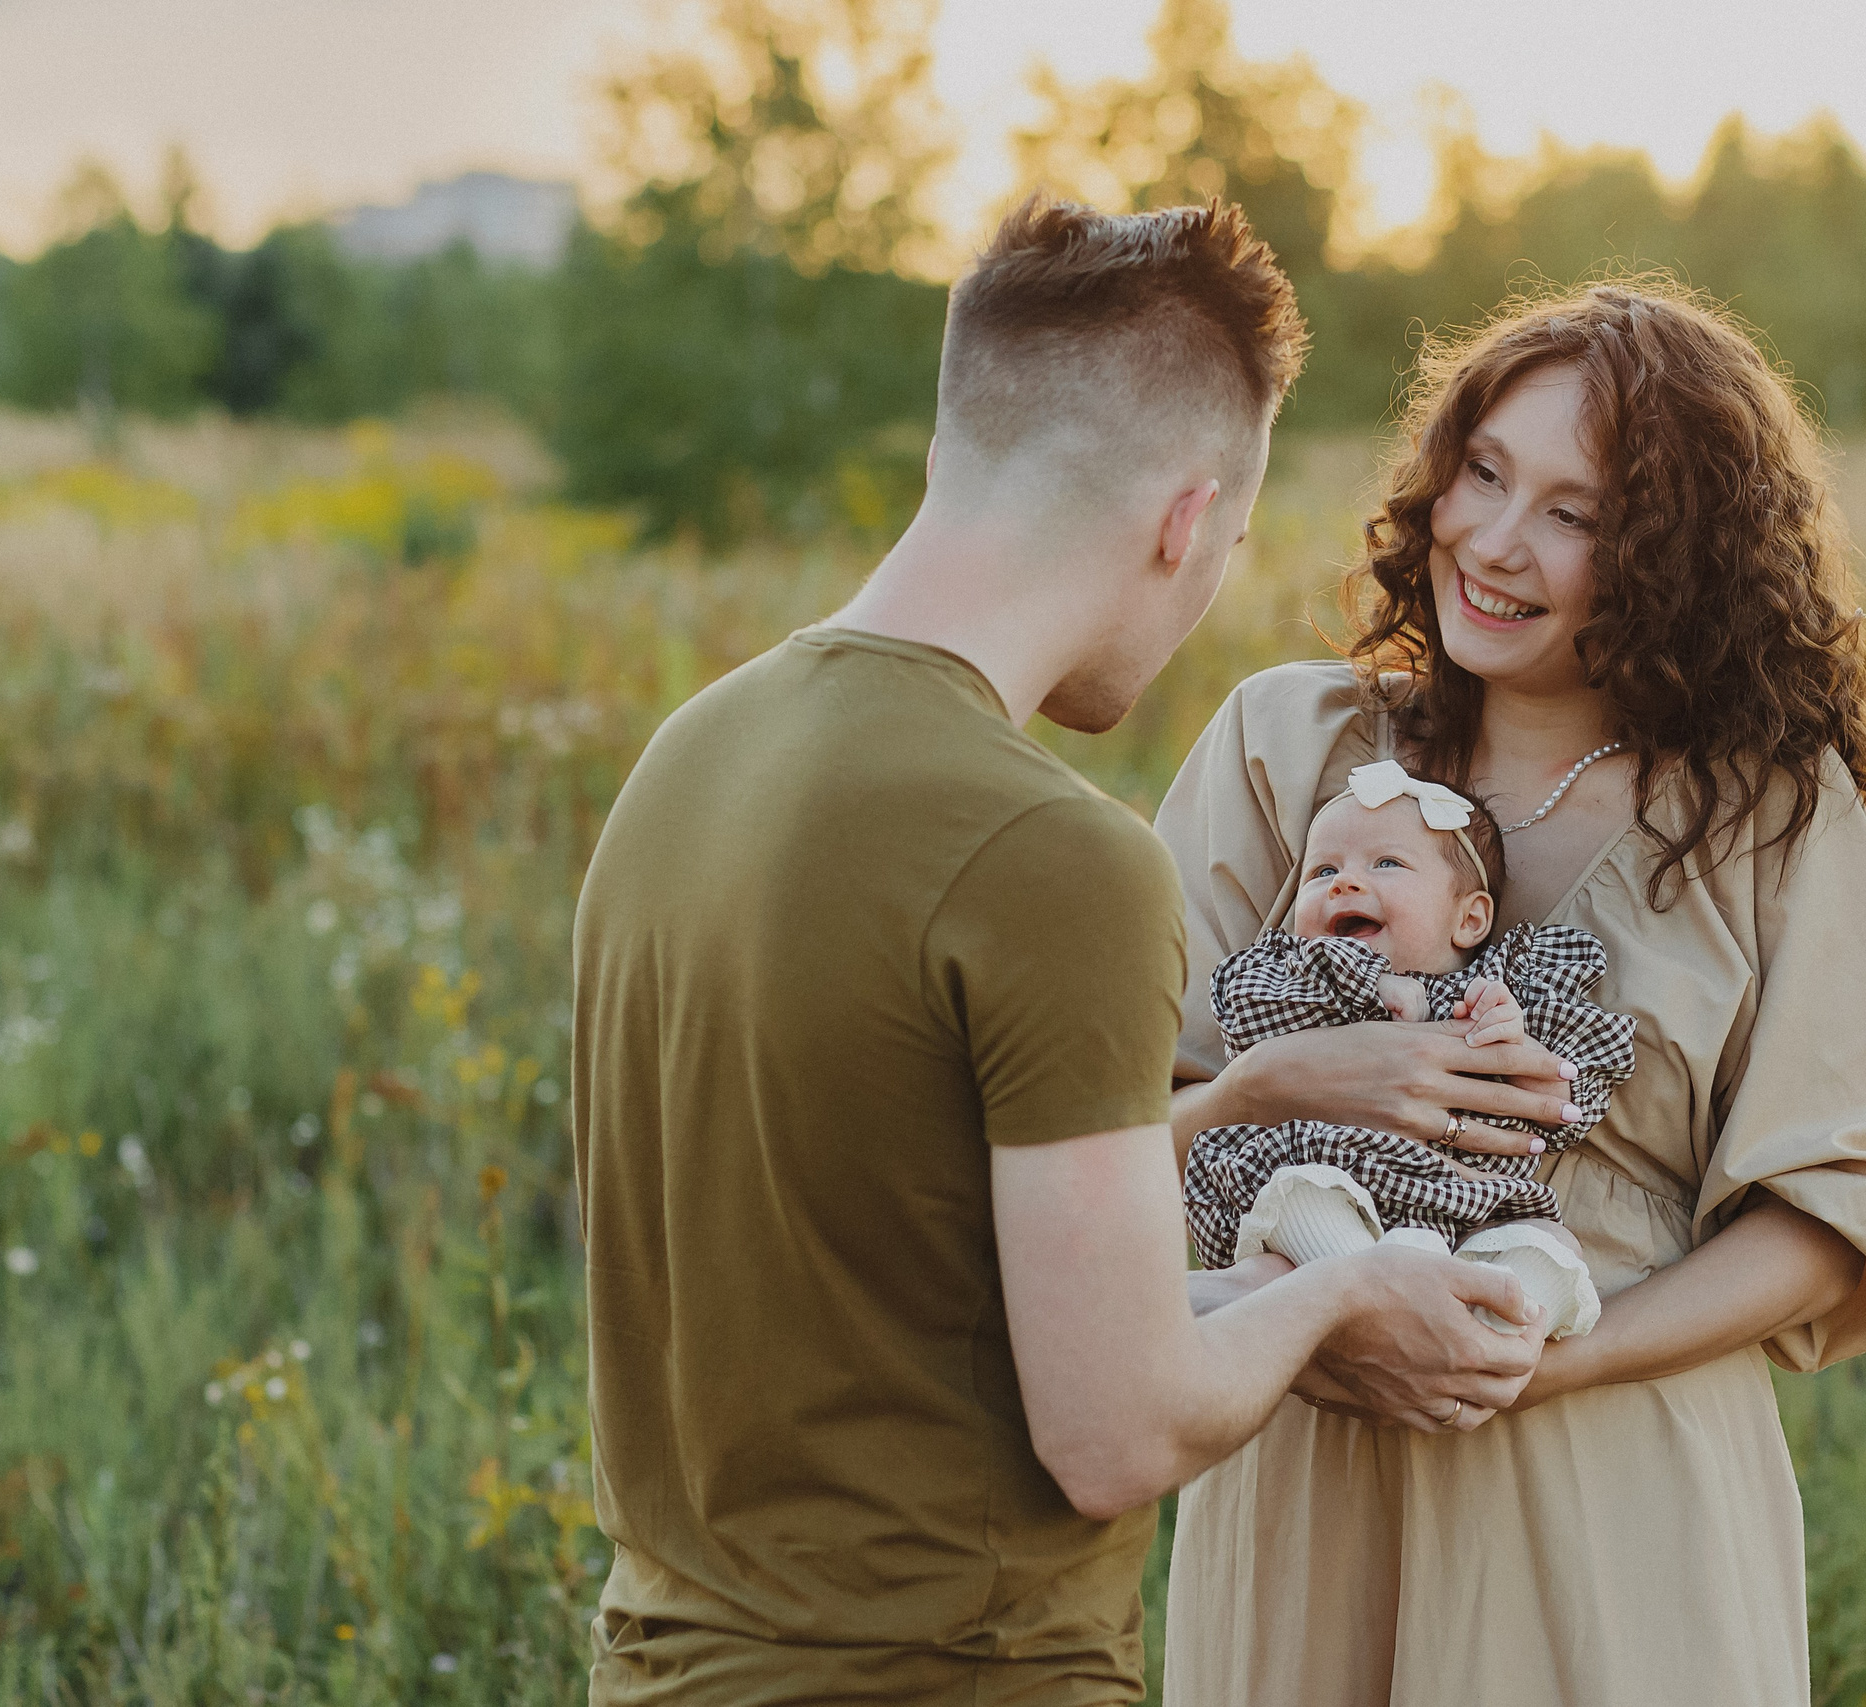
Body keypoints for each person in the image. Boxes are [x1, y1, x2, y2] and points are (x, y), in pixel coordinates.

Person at [569, 197, 1550, 1707]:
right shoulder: (1058, 858)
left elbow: (920, 1291)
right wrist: (1350, 1293)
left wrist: (1242, 1154)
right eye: (1226, 541)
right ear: (1181, 518)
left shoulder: (690, 758)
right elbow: (1118, 1427)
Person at [1157, 280, 1866, 1705]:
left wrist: (1535, 1365)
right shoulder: (1286, 745)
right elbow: (1106, 1117)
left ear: (1674, 560)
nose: (1498, 543)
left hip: (1614, 1489)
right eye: (1486, 472)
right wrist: (1320, 1304)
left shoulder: (1768, 814)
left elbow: (1836, 1215)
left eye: (1576, 516)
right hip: (1305, 1471)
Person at [1182, 757, 1630, 1342]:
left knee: (1552, 1244)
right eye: (1321, 872)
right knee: (1296, 1200)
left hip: (1467, 1209)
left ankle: (1490, 1337)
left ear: (1470, 919)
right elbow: (1247, 1012)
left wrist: (1519, 1052)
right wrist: (1366, 983)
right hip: (1325, 1176)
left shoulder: (1505, 990)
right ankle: (1372, 1293)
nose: (1343, 882)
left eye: (1386, 864)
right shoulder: (1290, 974)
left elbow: (1560, 1108)